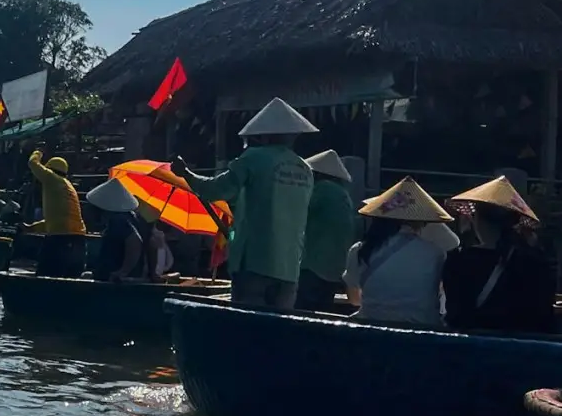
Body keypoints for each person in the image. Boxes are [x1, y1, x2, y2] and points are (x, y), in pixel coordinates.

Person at [174, 97, 316, 310]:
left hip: (255, 263)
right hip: (289, 268)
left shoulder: (253, 157)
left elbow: (215, 190)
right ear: (293, 135)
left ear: (263, 134)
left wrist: (185, 174)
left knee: (245, 327)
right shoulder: (306, 170)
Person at [443, 176, 555, 334]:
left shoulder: (458, 261)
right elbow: (543, 318)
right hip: (522, 351)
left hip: (471, 350)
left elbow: (456, 315)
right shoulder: (535, 262)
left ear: (477, 220)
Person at [344, 177, 450, 327]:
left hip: (372, 328)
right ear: (419, 221)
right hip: (421, 332)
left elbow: (354, 299)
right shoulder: (435, 253)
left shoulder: (359, 250)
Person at [296, 149, 358, 312]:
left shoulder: (321, 189)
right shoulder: (344, 195)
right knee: (323, 311)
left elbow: (298, 210)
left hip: (314, 263)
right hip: (335, 267)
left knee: (302, 312)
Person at [27, 150, 87, 279]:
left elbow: (32, 163)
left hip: (61, 239)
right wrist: (31, 228)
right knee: (68, 281)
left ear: (49, 169)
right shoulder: (67, 186)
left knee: (45, 278)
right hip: (78, 240)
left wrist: (39, 151)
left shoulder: (51, 178)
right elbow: (55, 221)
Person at [85, 178, 145, 283]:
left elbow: (135, 241)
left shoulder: (119, 220)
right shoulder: (122, 218)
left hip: (115, 281)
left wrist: (123, 272)